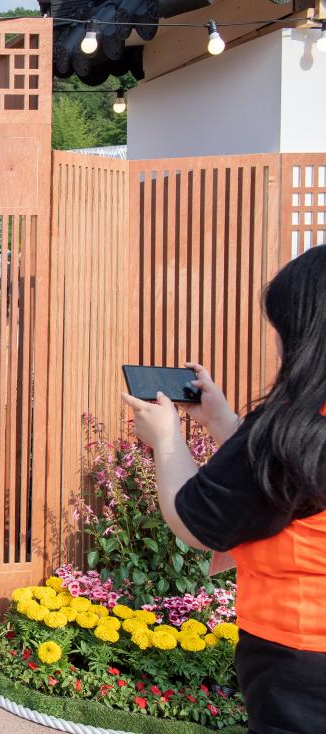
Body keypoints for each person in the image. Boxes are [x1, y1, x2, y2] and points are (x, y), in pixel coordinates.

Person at [121, 246, 326, 734]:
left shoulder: (292, 428)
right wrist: (224, 423)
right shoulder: (298, 434)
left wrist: (167, 440)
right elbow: (293, 484)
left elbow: (199, 522)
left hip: (301, 655)